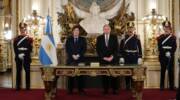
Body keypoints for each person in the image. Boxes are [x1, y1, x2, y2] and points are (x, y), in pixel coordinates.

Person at [119, 21, 142, 90]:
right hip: (127, 56)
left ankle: (133, 86)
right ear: (127, 29)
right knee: (127, 72)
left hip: (134, 56)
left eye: (131, 28)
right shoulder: (124, 38)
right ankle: (127, 86)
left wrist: (140, 57)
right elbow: (121, 49)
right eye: (129, 28)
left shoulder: (137, 38)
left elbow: (140, 48)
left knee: (134, 72)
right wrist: (121, 57)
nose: (130, 29)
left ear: (134, 28)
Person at [96, 24, 119, 94]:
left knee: (114, 75)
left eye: (107, 29)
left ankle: (114, 90)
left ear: (110, 30)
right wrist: (104, 57)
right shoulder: (99, 38)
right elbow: (98, 49)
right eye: (105, 29)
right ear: (103, 30)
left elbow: (116, 49)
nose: (106, 30)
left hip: (112, 59)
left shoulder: (114, 37)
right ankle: (105, 90)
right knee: (104, 75)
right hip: (103, 60)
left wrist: (112, 57)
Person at [65, 25, 87, 94]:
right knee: (71, 75)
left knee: (80, 76)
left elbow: (84, 49)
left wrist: (78, 55)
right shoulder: (69, 39)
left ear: (79, 32)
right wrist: (72, 55)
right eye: (75, 31)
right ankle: (70, 90)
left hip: (80, 60)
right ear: (72, 32)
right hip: (71, 59)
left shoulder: (83, 39)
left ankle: (80, 90)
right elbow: (67, 49)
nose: (76, 32)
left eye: (77, 31)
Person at [157, 19, 177, 90]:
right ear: (163, 28)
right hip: (162, 56)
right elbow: (159, 47)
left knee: (171, 71)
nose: (166, 29)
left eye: (168, 27)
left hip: (170, 56)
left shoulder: (173, 37)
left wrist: (170, 52)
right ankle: (161, 86)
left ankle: (171, 86)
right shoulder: (160, 38)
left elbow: (174, 47)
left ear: (170, 28)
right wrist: (165, 52)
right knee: (163, 71)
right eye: (165, 27)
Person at [13, 22, 33, 90]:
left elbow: (30, 49)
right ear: (20, 29)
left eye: (24, 28)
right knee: (18, 71)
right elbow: (15, 48)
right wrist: (18, 54)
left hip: (26, 56)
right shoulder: (16, 39)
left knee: (27, 71)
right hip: (18, 57)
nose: (22, 29)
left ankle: (28, 86)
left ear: (25, 29)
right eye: (21, 28)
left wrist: (24, 54)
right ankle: (18, 86)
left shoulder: (29, 39)